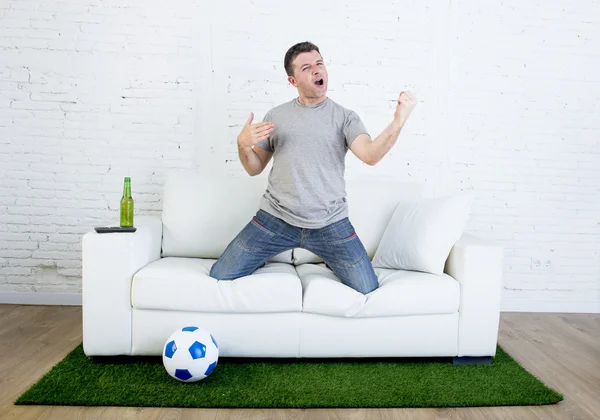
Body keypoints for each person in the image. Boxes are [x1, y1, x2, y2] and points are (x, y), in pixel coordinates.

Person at [209, 41, 417, 294]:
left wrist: (398, 121)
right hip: (275, 219)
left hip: (331, 224)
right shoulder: (276, 116)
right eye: (306, 67)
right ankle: (265, 254)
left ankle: (331, 258)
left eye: (319, 64)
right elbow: (254, 168)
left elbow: (371, 155)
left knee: (366, 287)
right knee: (222, 274)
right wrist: (243, 146)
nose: (317, 71)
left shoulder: (344, 117)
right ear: (292, 81)